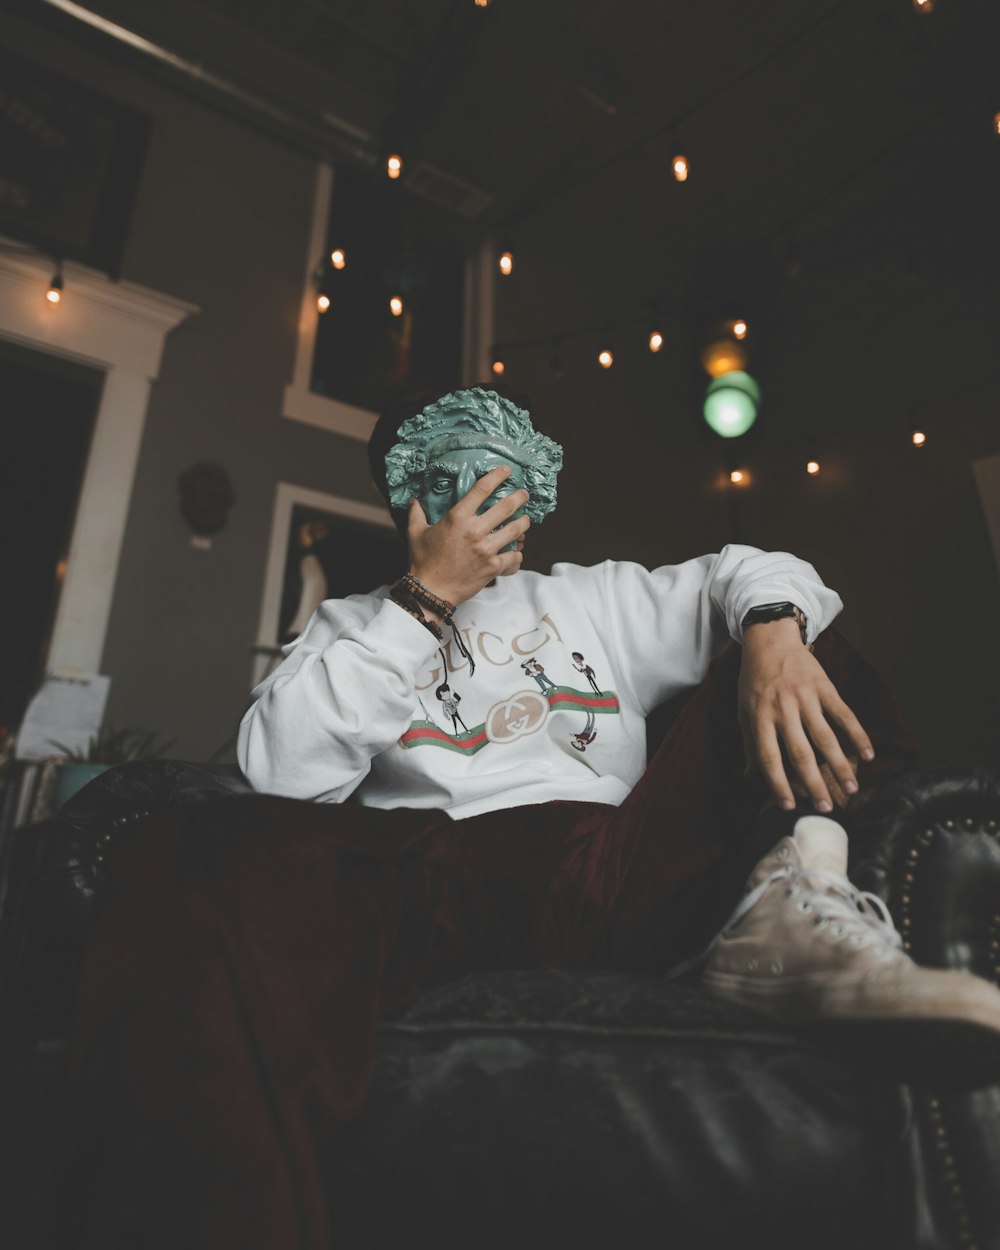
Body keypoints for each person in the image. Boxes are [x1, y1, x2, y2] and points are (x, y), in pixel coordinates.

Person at [64, 385, 1000, 1250]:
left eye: (499, 473)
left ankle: (794, 900)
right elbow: (277, 775)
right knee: (206, 849)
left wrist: (772, 637)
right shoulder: (353, 625)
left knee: (796, 632)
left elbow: (747, 567)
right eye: (452, 474)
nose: (481, 492)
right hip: (433, 884)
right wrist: (426, 598)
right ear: (411, 499)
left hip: (609, 867)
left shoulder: (588, 597)